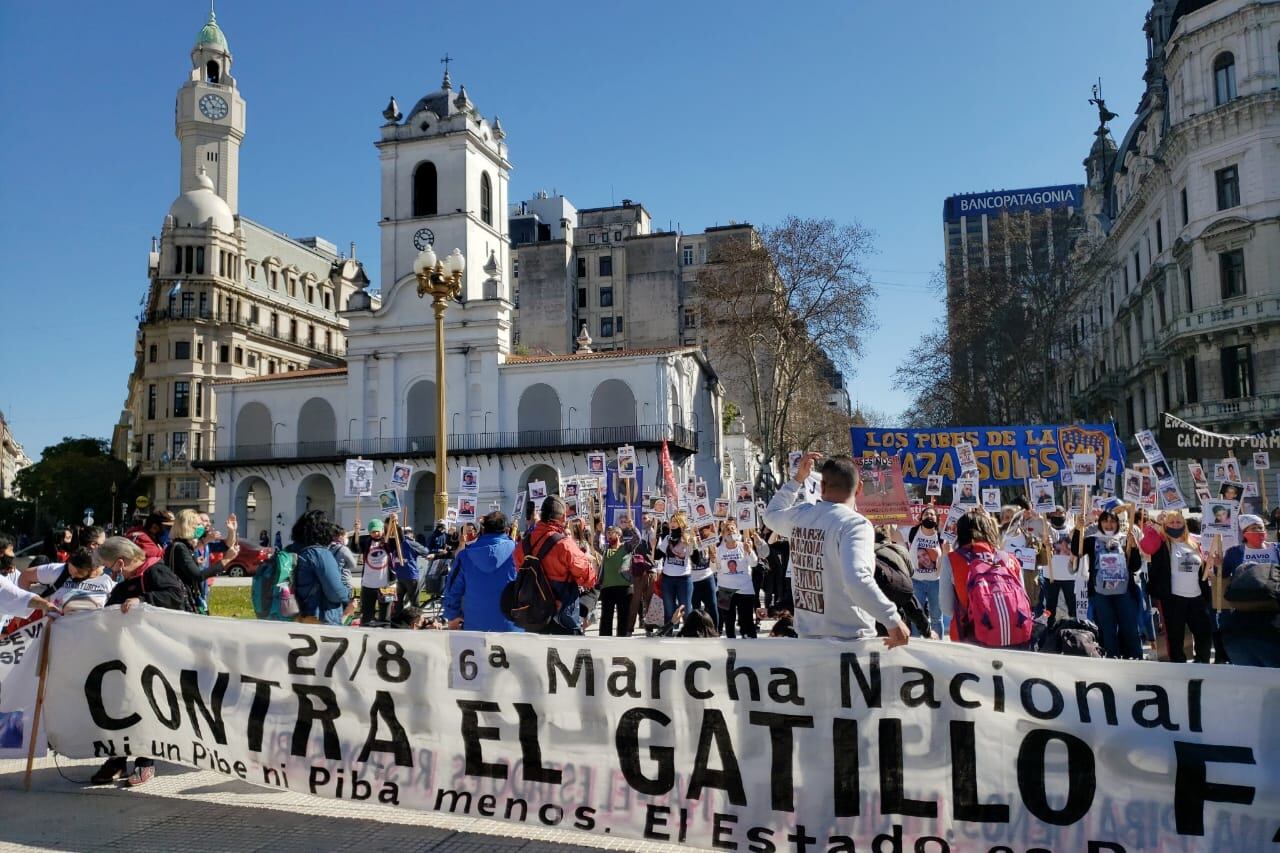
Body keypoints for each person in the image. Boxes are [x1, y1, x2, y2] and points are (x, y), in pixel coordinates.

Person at [761, 452, 909, 646]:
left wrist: (798, 479)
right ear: (860, 488)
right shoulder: (855, 525)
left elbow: (771, 515)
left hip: (809, 640)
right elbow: (857, 578)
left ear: (822, 486)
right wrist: (892, 619)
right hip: (851, 642)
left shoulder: (801, 516)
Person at [96, 538, 189, 786]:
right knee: (118, 707)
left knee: (146, 706)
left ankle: (145, 762)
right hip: (124, 655)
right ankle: (116, 760)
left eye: (110, 566)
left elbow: (175, 596)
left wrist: (143, 600)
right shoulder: (127, 579)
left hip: (152, 656)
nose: (110, 572)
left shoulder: (155, 571)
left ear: (121, 562)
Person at [941, 509, 1033, 649]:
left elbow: (946, 608)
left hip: (971, 639)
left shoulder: (953, 560)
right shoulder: (1009, 559)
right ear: (989, 530)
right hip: (1015, 637)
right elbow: (1024, 600)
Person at [513, 496, 598, 634]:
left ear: (541, 514)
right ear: (564, 517)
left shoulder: (523, 544)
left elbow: (520, 570)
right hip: (562, 615)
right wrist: (588, 560)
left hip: (534, 614)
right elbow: (589, 578)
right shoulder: (564, 544)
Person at [1140, 510, 1213, 663]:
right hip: (1173, 598)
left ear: (1184, 524)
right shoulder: (1162, 542)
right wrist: (1154, 528)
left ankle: (1202, 663)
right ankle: (1179, 666)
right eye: (1171, 522)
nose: (1175, 525)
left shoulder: (1194, 543)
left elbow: (1205, 565)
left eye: (1178, 522)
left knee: (1204, 633)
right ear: (1165, 525)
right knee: (1175, 637)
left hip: (1197, 597)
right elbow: (1147, 547)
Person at [1073, 509, 1142, 658]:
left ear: (1118, 523)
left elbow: (1135, 566)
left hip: (1124, 592)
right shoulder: (1092, 540)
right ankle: (1111, 658)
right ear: (1100, 523)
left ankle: (1135, 657)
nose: (1109, 524)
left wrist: (1135, 548)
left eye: (1112, 521)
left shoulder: (1125, 539)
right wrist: (1079, 529)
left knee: (1129, 627)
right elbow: (1076, 550)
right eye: (1105, 521)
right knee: (1107, 628)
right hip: (1101, 593)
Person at [1217, 514, 1280, 666]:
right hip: (1244, 616)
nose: (1259, 531)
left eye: (1261, 528)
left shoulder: (1276, 549)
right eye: (1254, 528)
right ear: (1244, 532)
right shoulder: (1234, 553)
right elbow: (1223, 578)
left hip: (1274, 615)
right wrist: (1217, 565)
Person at [443, 511, 519, 632]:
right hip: (512, 626)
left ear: (482, 530)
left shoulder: (464, 556)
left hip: (474, 627)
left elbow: (452, 589)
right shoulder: (519, 552)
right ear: (506, 530)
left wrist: (452, 616)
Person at [164, 509, 237, 613]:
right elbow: (198, 575)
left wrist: (232, 530)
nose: (202, 527)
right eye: (198, 524)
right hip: (181, 600)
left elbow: (226, 545)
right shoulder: (180, 547)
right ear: (188, 526)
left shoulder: (184, 546)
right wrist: (226, 560)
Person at [289, 510, 350, 626]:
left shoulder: (291, 550)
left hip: (295, 616)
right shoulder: (320, 554)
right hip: (319, 618)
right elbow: (336, 593)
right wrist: (348, 595)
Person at [715, 521, 767, 639]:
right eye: (728, 530)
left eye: (733, 529)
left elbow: (754, 564)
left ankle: (751, 647)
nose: (731, 531)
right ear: (723, 535)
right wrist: (713, 559)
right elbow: (715, 569)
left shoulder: (744, 546)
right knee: (728, 623)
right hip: (725, 590)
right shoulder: (719, 550)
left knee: (747, 622)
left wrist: (749, 551)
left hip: (745, 590)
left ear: (738, 532)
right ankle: (731, 649)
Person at [903, 506, 946, 637]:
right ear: (920, 518)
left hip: (936, 583)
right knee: (917, 618)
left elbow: (946, 559)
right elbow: (894, 534)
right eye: (926, 514)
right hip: (916, 582)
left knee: (936, 619)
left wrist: (946, 551)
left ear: (937, 519)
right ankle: (917, 647)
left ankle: (939, 648)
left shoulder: (942, 537)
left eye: (932, 514)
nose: (929, 516)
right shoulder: (911, 532)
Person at [654, 513, 698, 626]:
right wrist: (654, 545)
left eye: (675, 521)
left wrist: (695, 546)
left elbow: (696, 560)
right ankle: (668, 632)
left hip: (684, 579)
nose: (672, 524)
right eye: (671, 521)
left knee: (686, 609)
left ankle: (689, 632)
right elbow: (657, 556)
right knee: (669, 609)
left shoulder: (688, 539)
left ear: (681, 523)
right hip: (668, 579)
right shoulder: (667, 538)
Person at [1042, 506, 1079, 628]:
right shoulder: (1046, 530)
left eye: (1060, 514)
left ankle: (1074, 628)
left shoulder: (1071, 530)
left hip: (1069, 576)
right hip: (1050, 576)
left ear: (1064, 515)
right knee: (1049, 606)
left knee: (1072, 605)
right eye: (1055, 514)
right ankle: (1048, 627)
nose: (1058, 517)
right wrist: (1044, 543)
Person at [598, 526, 634, 636]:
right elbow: (595, 544)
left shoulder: (626, 547)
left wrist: (632, 528)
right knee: (606, 617)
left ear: (619, 535)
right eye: (607, 533)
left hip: (624, 587)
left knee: (623, 616)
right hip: (607, 587)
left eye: (611, 533)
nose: (608, 535)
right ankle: (605, 641)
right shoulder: (605, 549)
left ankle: (621, 641)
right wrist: (599, 531)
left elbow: (637, 539)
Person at [358, 519, 394, 625]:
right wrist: (356, 531)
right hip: (367, 585)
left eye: (378, 531)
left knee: (386, 617)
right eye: (373, 532)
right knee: (366, 616)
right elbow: (355, 547)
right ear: (369, 532)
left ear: (383, 530)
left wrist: (394, 524)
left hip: (387, 586)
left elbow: (398, 540)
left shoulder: (388, 542)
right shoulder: (366, 542)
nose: (376, 534)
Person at [327, 523, 358, 621]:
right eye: (346, 536)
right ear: (340, 537)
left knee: (334, 609)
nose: (347, 539)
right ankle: (342, 625)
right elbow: (353, 565)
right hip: (344, 583)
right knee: (347, 610)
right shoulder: (343, 549)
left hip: (331, 583)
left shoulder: (327, 548)